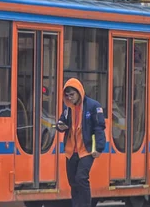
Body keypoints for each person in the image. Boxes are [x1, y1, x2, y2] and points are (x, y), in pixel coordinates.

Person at [56, 78, 106, 207]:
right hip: (71, 151)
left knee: (81, 178)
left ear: (79, 92)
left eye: (72, 94)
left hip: (86, 150)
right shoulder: (68, 107)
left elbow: (99, 127)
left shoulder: (93, 106)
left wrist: (99, 148)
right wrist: (59, 126)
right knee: (73, 181)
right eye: (67, 95)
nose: (70, 97)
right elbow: (62, 120)